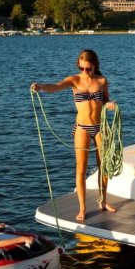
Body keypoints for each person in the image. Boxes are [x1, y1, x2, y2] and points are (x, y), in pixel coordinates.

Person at [31, 49, 117, 221]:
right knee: (81, 169)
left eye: (89, 69)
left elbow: (106, 99)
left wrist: (110, 104)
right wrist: (40, 87)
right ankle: (83, 208)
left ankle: (103, 201)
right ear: (79, 66)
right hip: (82, 127)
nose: (85, 72)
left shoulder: (102, 80)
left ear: (95, 66)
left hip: (100, 127)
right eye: (82, 68)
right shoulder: (74, 80)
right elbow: (56, 87)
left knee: (104, 167)